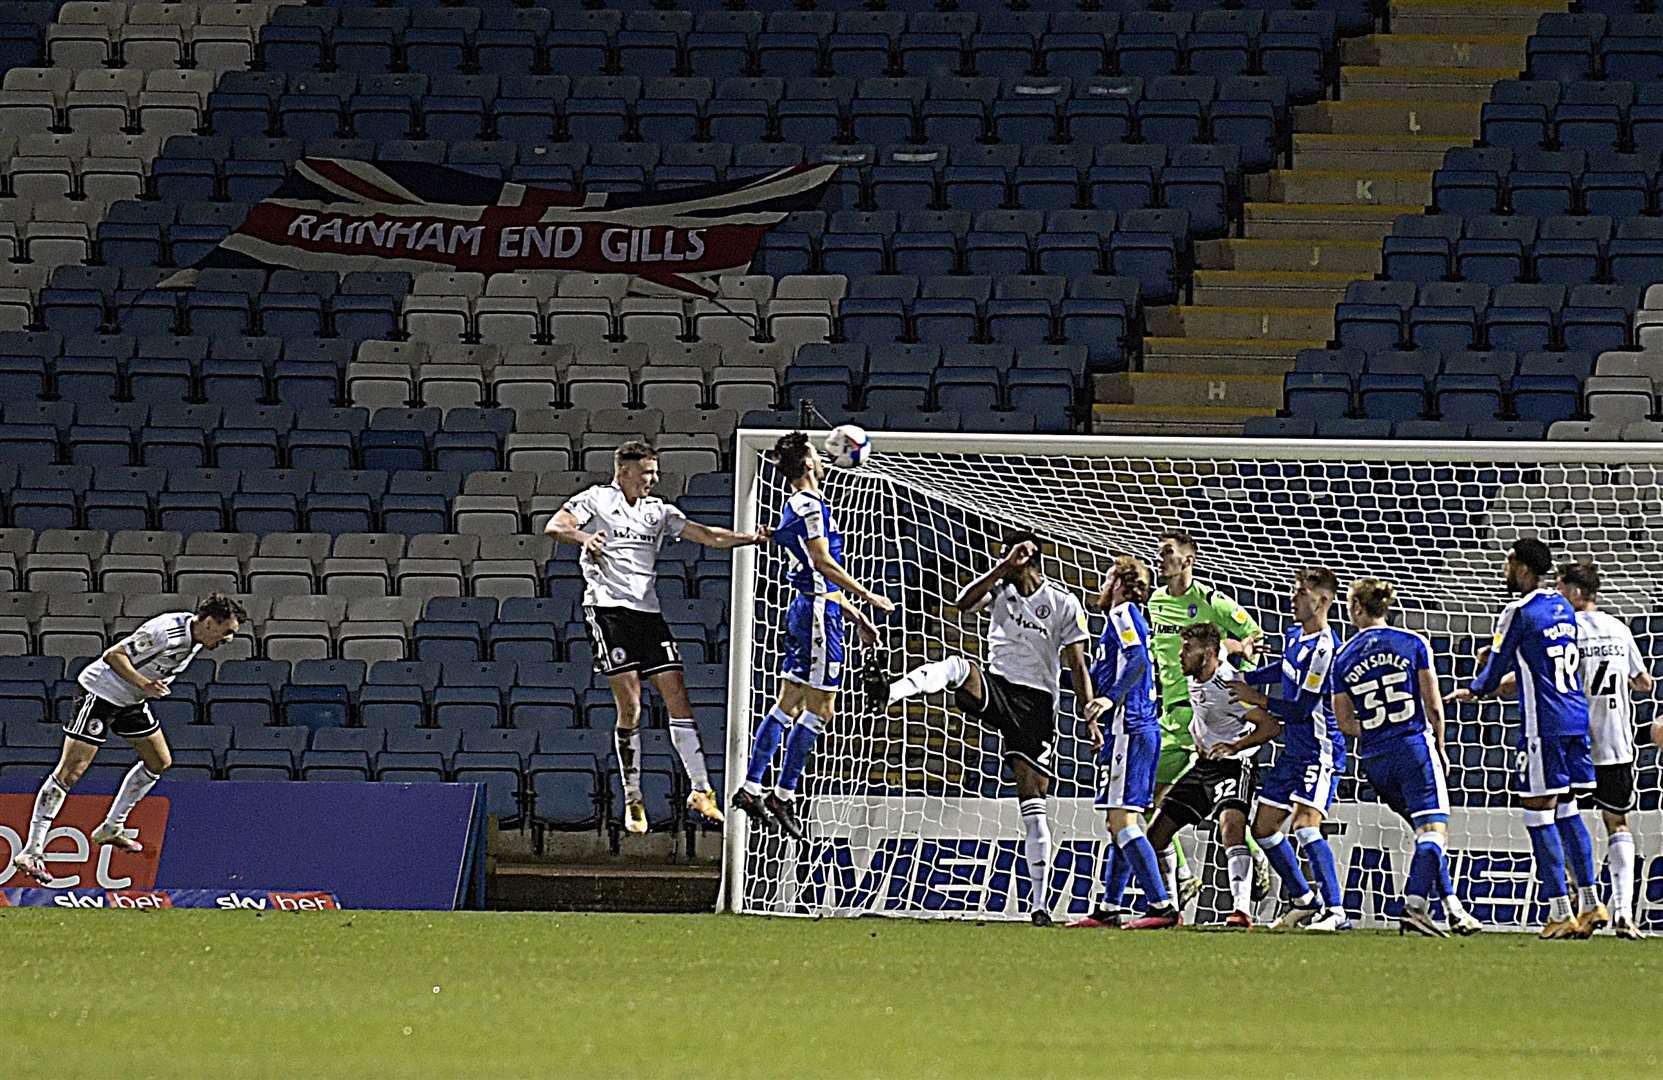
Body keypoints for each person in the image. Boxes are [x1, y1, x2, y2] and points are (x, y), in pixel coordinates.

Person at [548, 440, 771, 835]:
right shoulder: (596, 500)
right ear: (624, 472)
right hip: (607, 611)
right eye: (646, 473)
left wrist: (748, 538)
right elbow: (556, 525)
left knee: (677, 695)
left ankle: (702, 789)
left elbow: (706, 535)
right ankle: (633, 796)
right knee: (631, 706)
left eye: (655, 473)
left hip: (648, 615)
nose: (653, 480)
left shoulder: (658, 511)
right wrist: (585, 539)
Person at [872, 530, 1093, 927]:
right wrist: (1001, 568)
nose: (1004, 558)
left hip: (1037, 704)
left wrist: (1088, 715)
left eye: (1009, 552)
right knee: (958, 667)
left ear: (1030, 555)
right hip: (998, 684)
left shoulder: (1063, 601)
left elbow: (1077, 665)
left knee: (1033, 801)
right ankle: (891, 691)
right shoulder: (1000, 589)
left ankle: (1039, 906)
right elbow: (962, 603)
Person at [11, 594, 247, 886]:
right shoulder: (167, 630)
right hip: (100, 694)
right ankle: (32, 851)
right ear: (210, 622)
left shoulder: (196, 639)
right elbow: (114, 656)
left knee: (159, 761)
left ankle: (112, 825)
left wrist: (141, 690)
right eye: (227, 632)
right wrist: (144, 685)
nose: (229, 639)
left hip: (131, 702)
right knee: (70, 772)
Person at [731, 432, 890, 842]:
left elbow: (812, 569)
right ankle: (780, 793)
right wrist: (867, 596)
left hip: (814, 608)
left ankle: (755, 788)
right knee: (820, 709)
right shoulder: (810, 506)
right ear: (806, 464)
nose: (821, 459)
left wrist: (852, 613)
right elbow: (822, 562)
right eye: (815, 454)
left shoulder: (797, 505)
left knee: (792, 702)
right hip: (818, 613)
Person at [1447, 539, 1598, 939]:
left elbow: (1496, 668)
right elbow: (1540, 658)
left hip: (1543, 726)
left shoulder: (1517, 611)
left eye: (1509, 562)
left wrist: (1476, 688)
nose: (1504, 569)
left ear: (1524, 569)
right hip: (1575, 718)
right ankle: (1591, 902)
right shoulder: (1564, 607)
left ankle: (1559, 910)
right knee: (1566, 810)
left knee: (1537, 813)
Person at [1331, 577, 1482, 938]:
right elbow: (1433, 705)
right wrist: (1441, 746)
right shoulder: (1413, 643)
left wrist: (1375, 733)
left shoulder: (1343, 657)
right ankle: (1414, 907)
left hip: (1375, 761)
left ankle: (1453, 907)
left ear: (1356, 610)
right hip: (1412, 748)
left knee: (1423, 834)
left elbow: (1344, 722)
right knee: (1434, 832)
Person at [1145, 529, 1266, 904]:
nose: (1160, 559)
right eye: (1159, 553)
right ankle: (1187, 874)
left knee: (1161, 791)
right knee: (1154, 798)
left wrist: (1232, 677)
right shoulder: (1155, 603)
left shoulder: (1211, 601)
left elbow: (1254, 638)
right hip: (1169, 714)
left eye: (1168, 553)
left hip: (1204, 714)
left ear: (1188, 561)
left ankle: (1186, 875)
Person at [1232, 568, 1351, 932]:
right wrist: (1245, 678)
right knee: (1264, 828)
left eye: (1300, 593)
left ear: (1323, 601)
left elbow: (1300, 708)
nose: (1292, 599)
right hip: (1293, 752)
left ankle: (1335, 911)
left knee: (1304, 826)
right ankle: (1304, 900)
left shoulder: (1326, 649)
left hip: (1320, 750)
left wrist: (1258, 698)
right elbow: (1282, 670)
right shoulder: (1294, 635)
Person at [1068, 556, 1182, 930]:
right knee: (1119, 822)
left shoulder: (1122, 613)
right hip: (1132, 728)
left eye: (1107, 578)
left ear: (1119, 582)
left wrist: (1109, 700)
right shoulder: (1128, 618)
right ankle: (1110, 906)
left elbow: (1136, 663)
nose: (1102, 584)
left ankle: (1162, 906)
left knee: (1124, 820)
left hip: (1130, 728)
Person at [1141, 622, 1265, 928]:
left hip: (1236, 765)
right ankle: (1171, 909)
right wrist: (1244, 645)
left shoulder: (1228, 688)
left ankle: (1241, 910)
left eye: (1187, 649)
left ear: (1207, 654)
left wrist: (1235, 746)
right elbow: (1228, 645)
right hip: (1204, 764)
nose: (1180, 654)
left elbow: (1271, 726)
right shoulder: (1206, 664)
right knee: (1156, 833)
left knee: (1231, 827)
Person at [1553, 561, 1651, 938]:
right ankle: (1624, 912)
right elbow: (1642, 681)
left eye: (1562, 587)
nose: (1558, 594)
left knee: (1564, 818)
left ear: (1577, 592)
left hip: (1573, 742)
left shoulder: (1563, 631)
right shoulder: (1619, 628)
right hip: (1615, 742)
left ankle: (1583, 906)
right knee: (1618, 822)